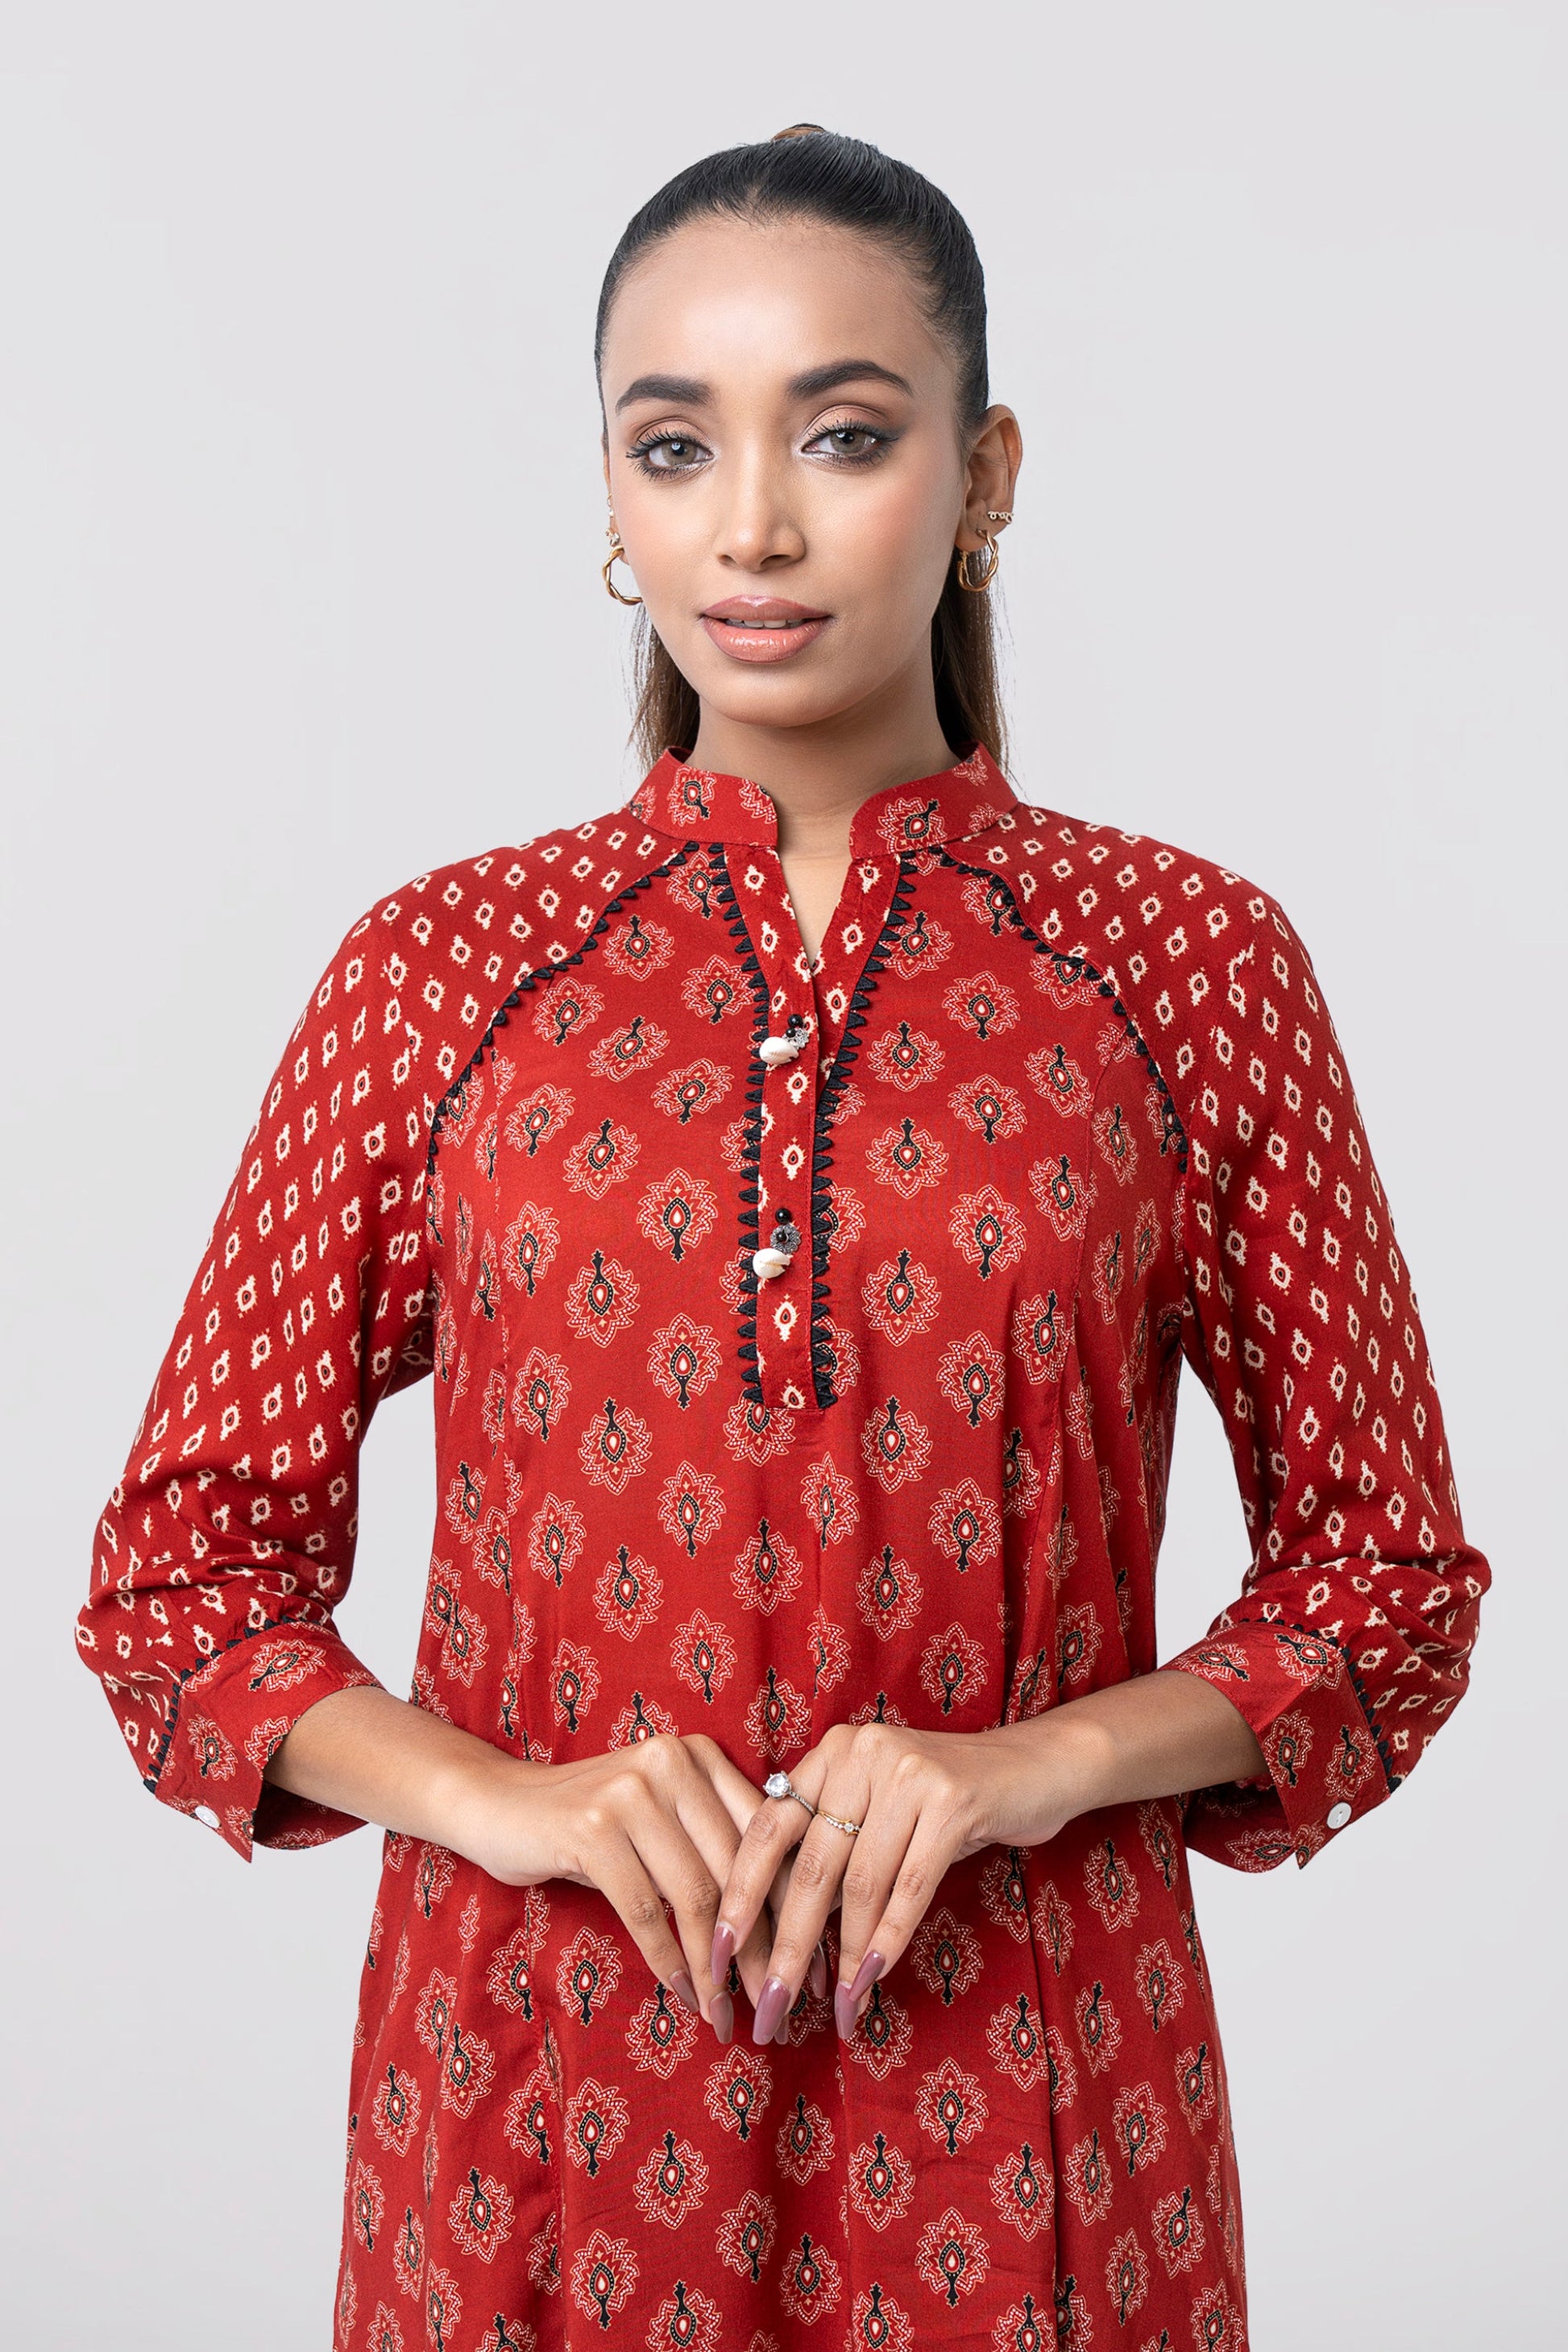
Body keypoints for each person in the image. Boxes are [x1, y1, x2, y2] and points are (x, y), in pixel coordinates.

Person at [77, 124, 1488, 2351]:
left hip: (1035, 2096)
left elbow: (1385, 1590)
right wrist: (509, 1805)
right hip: (534, 2097)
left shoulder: (1183, 965)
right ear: (609, 492)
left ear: (983, 474)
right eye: (674, 445)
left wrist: (1028, 1766)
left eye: (841, 434)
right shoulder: (445, 975)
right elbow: (179, 1585)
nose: (750, 524)